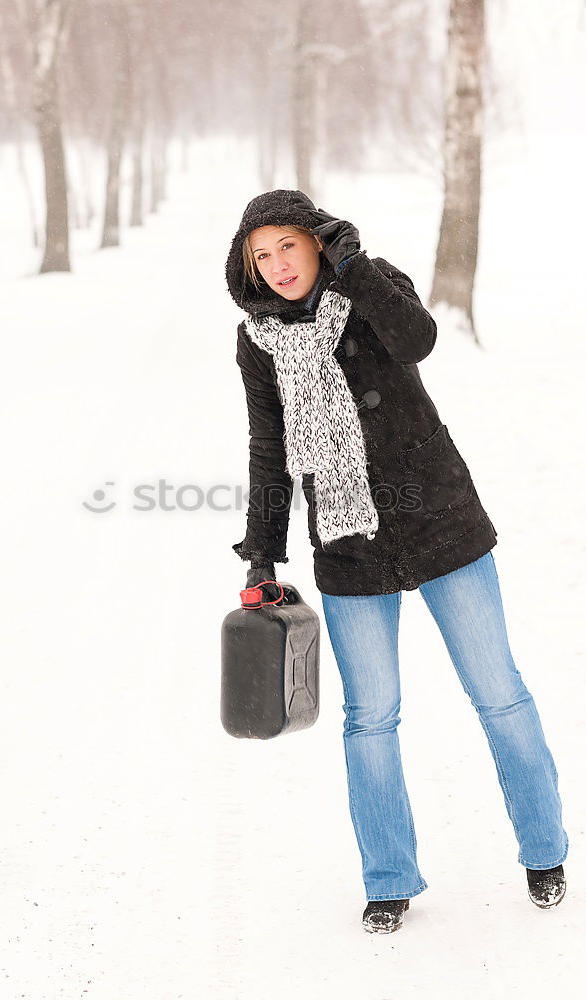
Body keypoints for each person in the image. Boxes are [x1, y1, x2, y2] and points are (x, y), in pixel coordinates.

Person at [225, 188, 569, 934]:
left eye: (288, 245)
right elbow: (269, 451)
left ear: (317, 241)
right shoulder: (258, 340)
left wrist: (355, 268)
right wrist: (261, 552)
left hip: (438, 519)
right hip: (347, 542)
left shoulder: (370, 282)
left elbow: (416, 341)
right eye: (262, 255)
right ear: (247, 267)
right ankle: (388, 879)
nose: (278, 265)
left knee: (497, 691)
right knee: (369, 717)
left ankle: (543, 850)